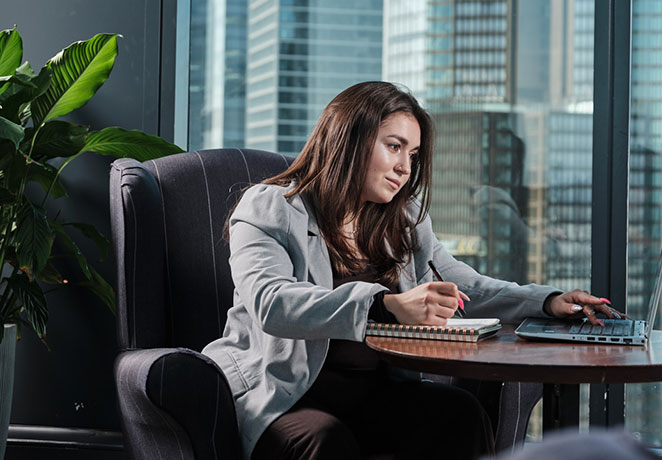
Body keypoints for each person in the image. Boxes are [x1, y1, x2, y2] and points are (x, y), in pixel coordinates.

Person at [202, 81, 623, 460]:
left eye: (413, 153)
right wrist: (385, 304)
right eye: (394, 146)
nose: (405, 167)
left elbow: (462, 285)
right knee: (325, 441)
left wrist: (547, 301)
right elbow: (272, 304)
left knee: (460, 416)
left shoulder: (403, 217)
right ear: (348, 140)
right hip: (287, 396)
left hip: (375, 395)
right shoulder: (270, 206)